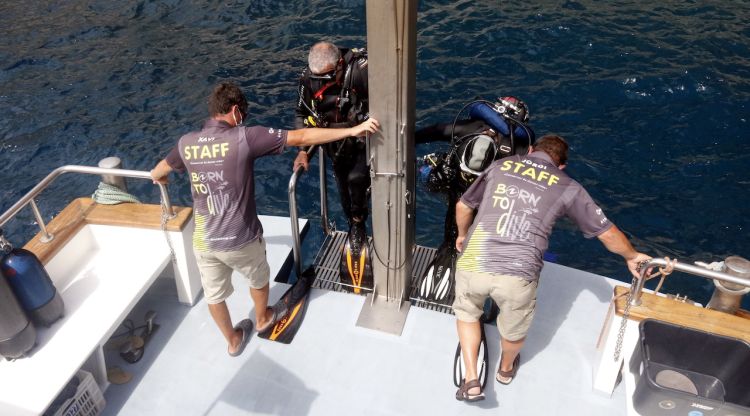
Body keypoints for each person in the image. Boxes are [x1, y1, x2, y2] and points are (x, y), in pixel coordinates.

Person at [150, 82, 379, 357]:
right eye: (242, 115)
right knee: (258, 277)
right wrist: (353, 129)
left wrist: (161, 177)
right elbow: (301, 136)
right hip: (240, 238)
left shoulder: (186, 143)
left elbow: (157, 172)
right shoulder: (244, 137)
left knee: (214, 294)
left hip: (205, 240)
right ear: (235, 111)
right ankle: (262, 318)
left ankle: (233, 341)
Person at [452, 134, 651, 401]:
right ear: (561, 166)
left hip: (474, 262)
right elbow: (606, 232)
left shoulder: (502, 165)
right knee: (514, 330)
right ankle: (506, 369)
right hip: (518, 274)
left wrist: (463, 235)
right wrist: (631, 255)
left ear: (532, 151)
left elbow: (464, 205)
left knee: (467, 314)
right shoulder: (568, 186)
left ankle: (472, 379)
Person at [415, 97, 535, 304]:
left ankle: (448, 252)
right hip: (488, 196)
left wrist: (409, 138)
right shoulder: (518, 145)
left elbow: (434, 130)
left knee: (453, 229)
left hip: (458, 187)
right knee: (480, 236)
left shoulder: (469, 127)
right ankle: (469, 271)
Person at [292, 40, 372, 292]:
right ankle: (354, 223)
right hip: (333, 143)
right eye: (317, 77)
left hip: (363, 139)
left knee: (357, 179)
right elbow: (299, 114)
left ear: (339, 64)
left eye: (326, 76)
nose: (321, 82)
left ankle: (359, 222)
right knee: (342, 184)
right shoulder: (308, 78)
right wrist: (303, 150)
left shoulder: (361, 71)